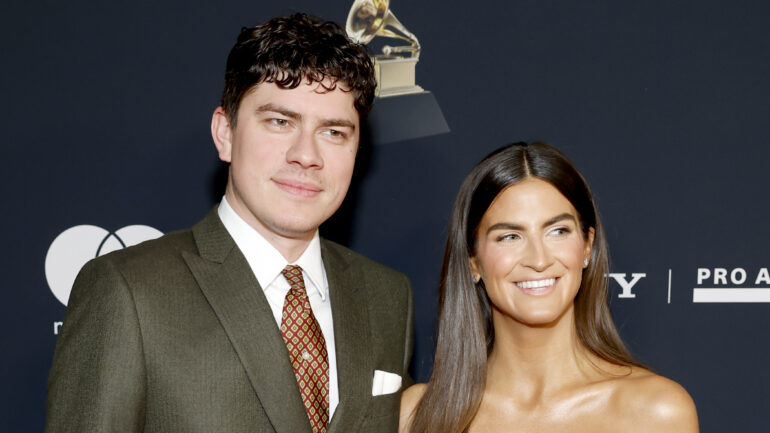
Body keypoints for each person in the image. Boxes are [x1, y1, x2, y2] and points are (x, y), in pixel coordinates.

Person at [45, 13, 413, 433]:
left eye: (333, 132)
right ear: (225, 133)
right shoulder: (127, 291)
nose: (306, 155)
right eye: (280, 122)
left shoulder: (387, 296)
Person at [399, 142, 698, 433]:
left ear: (587, 247)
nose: (539, 260)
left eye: (558, 231)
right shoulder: (417, 415)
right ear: (472, 261)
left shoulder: (654, 412)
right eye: (510, 237)